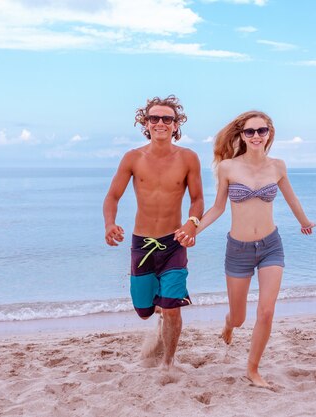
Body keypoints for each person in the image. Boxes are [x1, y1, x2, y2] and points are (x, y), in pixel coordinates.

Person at [176, 110, 315, 387]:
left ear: (269, 134)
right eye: (250, 131)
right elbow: (217, 208)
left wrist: (304, 222)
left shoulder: (278, 166)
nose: (255, 136)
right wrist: (192, 230)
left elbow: (291, 198)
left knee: (266, 311)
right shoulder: (228, 167)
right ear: (242, 135)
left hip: (271, 247)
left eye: (261, 131)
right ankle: (228, 324)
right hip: (238, 249)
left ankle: (253, 370)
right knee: (239, 318)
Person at [103, 95, 204, 369]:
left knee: (172, 308)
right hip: (142, 244)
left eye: (167, 119)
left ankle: (168, 363)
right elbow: (112, 196)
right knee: (145, 311)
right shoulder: (133, 158)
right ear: (145, 123)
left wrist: (191, 223)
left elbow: (197, 199)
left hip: (174, 242)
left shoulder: (188, 158)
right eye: (154, 118)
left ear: (175, 124)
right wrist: (109, 224)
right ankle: (160, 304)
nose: (160, 123)